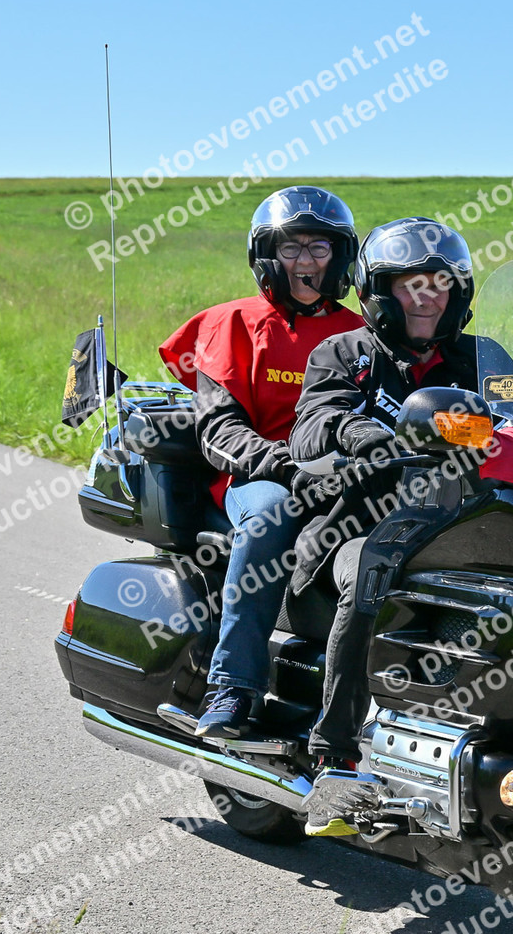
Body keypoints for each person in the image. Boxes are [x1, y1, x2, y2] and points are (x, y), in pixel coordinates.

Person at [286, 217, 480, 835]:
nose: (427, 298)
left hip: (456, 525)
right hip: (356, 527)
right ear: (378, 292)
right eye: (410, 284)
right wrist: (352, 429)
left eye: (440, 284)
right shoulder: (344, 353)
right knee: (371, 567)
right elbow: (308, 430)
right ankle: (335, 759)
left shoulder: (479, 361)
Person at [156, 186, 365, 738]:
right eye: (291, 248)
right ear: (267, 257)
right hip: (259, 475)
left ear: (341, 256)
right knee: (272, 514)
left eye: (319, 247)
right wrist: (286, 469)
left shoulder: (361, 333)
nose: (305, 261)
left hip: (348, 473)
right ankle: (233, 686)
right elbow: (218, 430)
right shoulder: (233, 323)